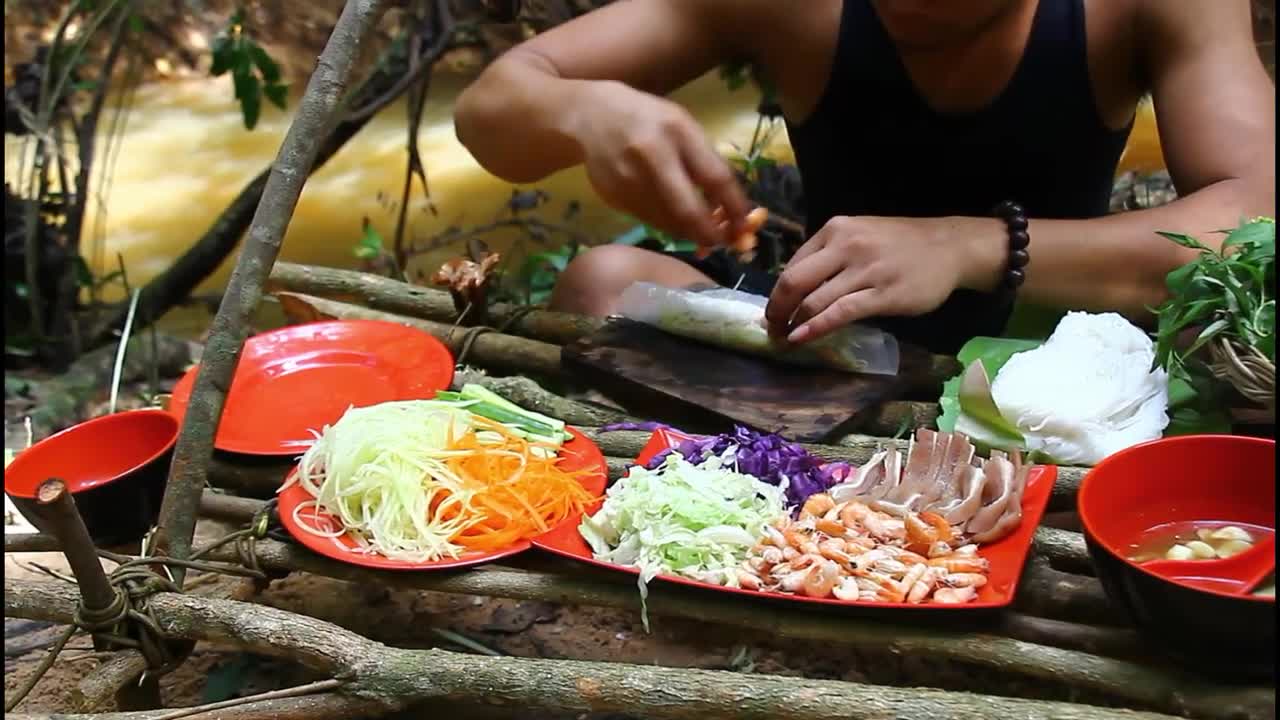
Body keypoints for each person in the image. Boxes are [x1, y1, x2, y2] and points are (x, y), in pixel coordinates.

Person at [454, 0, 1275, 354]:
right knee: (606, 281)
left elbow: (1259, 221)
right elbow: (494, 108)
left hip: (1048, 366)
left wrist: (974, 246)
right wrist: (590, 113)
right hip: (823, 344)